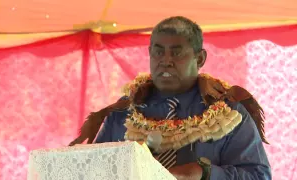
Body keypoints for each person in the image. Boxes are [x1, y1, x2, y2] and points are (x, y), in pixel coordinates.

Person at [69, 16, 271, 180]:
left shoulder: (229, 113)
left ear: (200, 58)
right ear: (149, 53)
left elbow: (258, 176)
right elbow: (96, 170)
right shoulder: (123, 113)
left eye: (177, 53)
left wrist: (205, 173)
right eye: (158, 52)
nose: (166, 61)